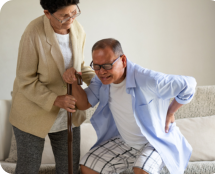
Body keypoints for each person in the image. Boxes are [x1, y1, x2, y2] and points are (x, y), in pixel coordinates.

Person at [63, 38, 197, 174]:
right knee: (88, 166)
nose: (101, 71)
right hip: (126, 141)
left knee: (141, 170)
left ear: (123, 60)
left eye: (107, 65)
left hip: (155, 142)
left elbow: (189, 85)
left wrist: (170, 112)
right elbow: (84, 103)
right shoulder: (100, 80)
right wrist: (72, 81)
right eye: (96, 66)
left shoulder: (148, 79)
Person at [9, 0, 95, 173]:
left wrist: (100, 82)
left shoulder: (77, 28)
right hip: (33, 111)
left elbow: (80, 65)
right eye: (64, 16)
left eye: (74, 12)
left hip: (67, 113)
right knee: (28, 168)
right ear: (47, 13)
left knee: (69, 169)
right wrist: (55, 99)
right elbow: (26, 79)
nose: (71, 19)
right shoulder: (33, 33)